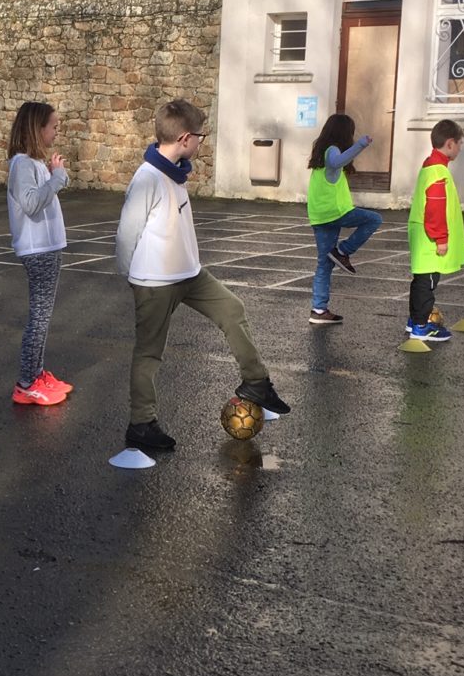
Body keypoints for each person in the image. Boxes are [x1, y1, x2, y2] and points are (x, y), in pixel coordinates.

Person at [115, 99, 290, 452]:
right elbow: (125, 235)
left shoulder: (175, 171)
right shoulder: (148, 178)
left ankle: (256, 382)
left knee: (233, 309)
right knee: (149, 354)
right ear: (183, 138)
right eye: (199, 136)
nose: (201, 142)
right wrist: (134, 280)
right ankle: (141, 424)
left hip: (190, 275)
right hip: (155, 283)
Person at [5, 101, 73, 406]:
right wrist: (56, 178)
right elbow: (31, 204)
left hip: (47, 247)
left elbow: (40, 196)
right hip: (37, 250)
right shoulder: (20, 164)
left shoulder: (31, 164)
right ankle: (26, 383)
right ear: (37, 128)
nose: (57, 132)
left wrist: (53, 175)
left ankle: (36, 372)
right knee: (39, 316)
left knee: (43, 316)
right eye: (54, 126)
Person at [304, 113, 383, 324]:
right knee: (374, 219)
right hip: (336, 213)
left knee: (324, 263)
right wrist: (361, 144)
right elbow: (338, 161)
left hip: (319, 216)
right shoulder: (332, 151)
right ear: (344, 133)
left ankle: (319, 311)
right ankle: (343, 251)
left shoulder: (320, 155)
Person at [406, 120, 464, 343]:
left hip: (423, 236)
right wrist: (441, 238)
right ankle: (422, 327)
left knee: (420, 280)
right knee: (427, 284)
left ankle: (415, 320)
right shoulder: (438, 172)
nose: (461, 148)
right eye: (460, 144)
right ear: (450, 144)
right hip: (430, 239)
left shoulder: (430, 165)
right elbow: (435, 208)